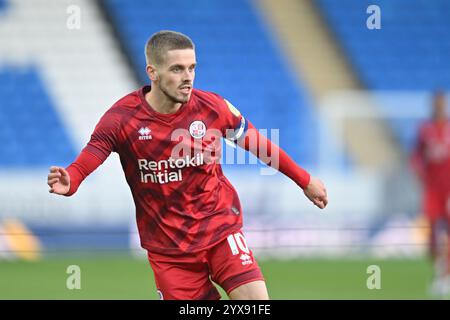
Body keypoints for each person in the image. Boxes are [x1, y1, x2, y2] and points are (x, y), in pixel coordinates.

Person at [47, 30, 328, 300]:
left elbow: (257, 144)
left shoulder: (212, 108)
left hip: (220, 230)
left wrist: (304, 180)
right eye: (177, 69)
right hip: (169, 251)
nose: (188, 78)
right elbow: (93, 152)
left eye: (192, 68)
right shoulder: (122, 118)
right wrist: (72, 178)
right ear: (152, 72)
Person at [411, 91, 450, 296]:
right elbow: (416, 157)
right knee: (432, 236)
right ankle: (439, 268)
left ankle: (445, 276)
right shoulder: (425, 130)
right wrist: (420, 175)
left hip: (449, 189)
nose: (439, 106)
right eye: (436, 103)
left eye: (442, 102)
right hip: (432, 190)